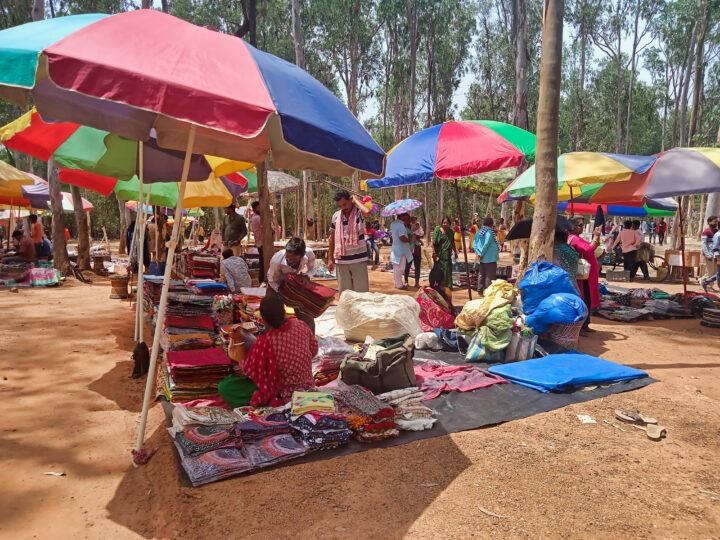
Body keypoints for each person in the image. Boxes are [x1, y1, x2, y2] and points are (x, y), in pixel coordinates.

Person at [219, 294, 318, 408]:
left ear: (263, 318)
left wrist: (240, 345)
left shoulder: (265, 342)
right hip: (307, 386)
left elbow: (249, 371)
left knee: (226, 386)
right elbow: (314, 350)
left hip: (283, 394)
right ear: (284, 311)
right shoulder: (301, 325)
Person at [267, 236, 317, 332]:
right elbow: (273, 280)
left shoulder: (309, 253)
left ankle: (309, 338)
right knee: (272, 312)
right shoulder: (276, 260)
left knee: (305, 312)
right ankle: (273, 336)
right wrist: (282, 291)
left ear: (301, 256)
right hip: (276, 284)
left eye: (293, 259)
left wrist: (307, 276)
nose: (288, 259)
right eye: (287, 256)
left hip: (295, 281)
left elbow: (313, 266)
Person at [328, 190, 371, 294]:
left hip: (358, 260)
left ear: (350, 200)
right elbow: (332, 238)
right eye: (340, 206)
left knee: (362, 293)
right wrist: (330, 259)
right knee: (345, 294)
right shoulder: (336, 216)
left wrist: (356, 200)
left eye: (345, 204)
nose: (343, 208)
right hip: (341, 260)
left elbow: (367, 212)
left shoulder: (359, 213)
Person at [569, 217, 601, 334]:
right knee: (584, 299)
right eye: (581, 225)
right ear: (574, 227)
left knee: (586, 298)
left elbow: (590, 247)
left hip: (583, 275)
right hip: (582, 276)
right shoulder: (574, 239)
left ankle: (585, 325)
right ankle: (581, 327)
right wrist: (596, 236)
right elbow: (588, 249)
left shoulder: (575, 238)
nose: (582, 228)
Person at [416, 266, 455, 332]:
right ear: (442, 281)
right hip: (442, 325)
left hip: (422, 326)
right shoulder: (445, 292)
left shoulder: (422, 293)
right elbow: (449, 311)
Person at [473, 216, 500, 294]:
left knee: (481, 274)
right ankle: (487, 292)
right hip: (490, 258)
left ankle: (480, 290)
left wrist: (478, 253)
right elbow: (486, 243)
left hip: (482, 258)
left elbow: (474, 244)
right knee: (489, 276)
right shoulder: (489, 232)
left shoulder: (479, 232)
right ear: (491, 225)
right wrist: (481, 254)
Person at [431, 216, 457, 290]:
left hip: (447, 254)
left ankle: (448, 286)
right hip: (438, 254)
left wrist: (455, 252)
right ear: (442, 223)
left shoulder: (451, 232)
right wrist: (434, 252)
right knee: (438, 270)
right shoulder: (437, 230)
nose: (445, 224)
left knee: (448, 270)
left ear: (449, 224)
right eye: (444, 223)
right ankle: (438, 285)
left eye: (447, 223)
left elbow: (452, 242)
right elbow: (433, 243)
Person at [390, 213, 413, 290]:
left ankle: (397, 283)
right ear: (402, 216)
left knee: (397, 267)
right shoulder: (401, 225)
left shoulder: (393, 224)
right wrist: (410, 239)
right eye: (407, 217)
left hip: (396, 248)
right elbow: (402, 238)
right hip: (401, 250)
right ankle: (399, 284)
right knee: (401, 268)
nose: (408, 219)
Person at [250, 201, 268, 285]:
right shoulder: (258, 218)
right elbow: (268, 228)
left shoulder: (255, 217)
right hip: (262, 243)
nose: (260, 209)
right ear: (254, 209)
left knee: (263, 263)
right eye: (259, 208)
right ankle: (262, 281)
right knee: (264, 264)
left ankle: (262, 281)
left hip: (260, 243)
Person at [701, 216, 719, 292]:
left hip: (715, 255)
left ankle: (703, 281)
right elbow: (704, 244)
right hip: (709, 255)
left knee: (715, 272)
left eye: (716, 222)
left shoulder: (717, 231)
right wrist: (707, 254)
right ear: (709, 222)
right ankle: (708, 286)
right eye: (714, 221)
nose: (716, 223)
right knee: (711, 271)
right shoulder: (706, 231)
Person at [406, 216, 425, 288]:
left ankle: (417, 282)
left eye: (414, 219)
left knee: (417, 266)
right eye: (412, 219)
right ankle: (406, 281)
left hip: (417, 248)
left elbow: (422, 234)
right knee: (408, 265)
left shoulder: (419, 227)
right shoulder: (408, 227)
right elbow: (408, 235)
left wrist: (416, 236)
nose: (413, 221)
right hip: (410, 247)